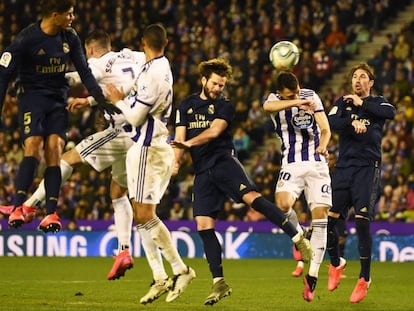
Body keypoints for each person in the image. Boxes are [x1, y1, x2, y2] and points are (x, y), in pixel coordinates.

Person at [0, 29, 145, 281]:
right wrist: (89, 102)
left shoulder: (97, 63)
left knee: (68, 158)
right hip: (141, 133)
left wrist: (34, 76)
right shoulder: (133, 56)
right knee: (117, 193)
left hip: (121, 130)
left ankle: (28, 206)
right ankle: (123, 251)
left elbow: (75, 78)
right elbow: (125, 85)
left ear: (89, 50)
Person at [171, 58, 312, 306]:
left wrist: (189, 144)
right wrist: (174, 164)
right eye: (215, 83)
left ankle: (297, 237)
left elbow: (214, 132)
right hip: (202, 172)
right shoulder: (185, 106)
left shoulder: (225, 106)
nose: (217, 89)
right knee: (203, 227)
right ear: (204, 80)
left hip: (224, 162)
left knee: (252, 200)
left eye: (221, 85)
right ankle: (219, 283)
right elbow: (180, 139)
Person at [0, 0, 116, 233]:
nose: (73, 18)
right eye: (69, 14)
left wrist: (100, 101)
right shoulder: (27, 39)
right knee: (33, 145)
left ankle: (51, 213)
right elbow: (4, 73)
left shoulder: (70, 38)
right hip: (32, 97)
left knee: (55, 148)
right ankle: (17, 206)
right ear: (55, 15)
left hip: (56, 100)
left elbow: (84, 71)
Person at [105, 23, 195, 304]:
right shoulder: (157, 65)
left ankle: (181, 269)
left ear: (143, 41)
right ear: (166, 42)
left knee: (145, 215)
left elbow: (133, 118)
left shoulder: (153, 74)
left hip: (148, 147)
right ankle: (159, 277)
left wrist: (119, 101)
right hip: (143, 147)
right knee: (140, 214)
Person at [326, 63, 396, 303]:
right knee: (330, 220)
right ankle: (336, 263)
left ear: (371, 82)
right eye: (354, 76)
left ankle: (364, 278)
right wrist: (350, 122)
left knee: (362, 222)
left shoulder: (378, 103)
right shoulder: (341, 102)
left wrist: (362, 105)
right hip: (344, 167)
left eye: (363, 76)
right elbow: (330, 123)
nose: (357, 80)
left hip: (367, 167)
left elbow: (391, 113)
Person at [263, 71, 332, 302]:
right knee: (282, 205)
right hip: (291, 162)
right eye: (290, 94)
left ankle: (312, 276)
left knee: (321, 218)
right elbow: (268, 108)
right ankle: (300, 233)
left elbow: (325, 128)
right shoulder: (273, 99)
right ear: (281, 93)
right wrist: (297, 102)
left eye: (297, 90)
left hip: (317, 163)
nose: (297, 94)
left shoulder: (311, 95)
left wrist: (323, 145)